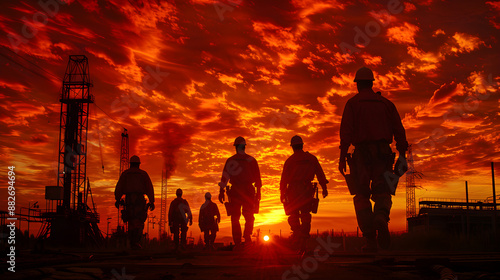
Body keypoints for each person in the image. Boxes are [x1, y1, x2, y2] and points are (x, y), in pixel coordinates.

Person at [339, 66, 408, 252]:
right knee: (383, 191)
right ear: (371, 83)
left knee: (361, 196)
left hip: (361, 154)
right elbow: (399, 131)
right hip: (383, 153)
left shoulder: (353, 104)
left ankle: (370, 240)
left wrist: (341, 157)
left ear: (357, 85)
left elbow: (345, 133)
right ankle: (381, 216)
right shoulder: (386, 104)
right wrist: (402, 154)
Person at [280, 135, 328, 250]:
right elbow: (320, 174)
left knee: (294, 215)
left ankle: (297, 235)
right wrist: (324, 188)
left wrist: (282, 193)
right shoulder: (311, 158)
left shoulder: (290, 161)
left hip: (293, 190)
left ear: (292, 147)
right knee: (306, 215)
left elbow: (284, 179)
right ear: (302, 145)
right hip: (306, 189)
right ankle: (303, 238)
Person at [218, 136, 262, 245]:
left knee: (235, 217)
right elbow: (257, 178)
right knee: (249, 216)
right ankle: (247, 237)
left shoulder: (231, 160)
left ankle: (237, 241)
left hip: (236, 191)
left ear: (236, 147)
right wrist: (259, 192)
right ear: (244, 147)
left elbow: (224, 178)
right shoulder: (251, 160)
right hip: (248, 191)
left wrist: (221, 191)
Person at [114, 155, 155, 250]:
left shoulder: (125, 174)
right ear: (139, 164)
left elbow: (119, 187)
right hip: (139, 200)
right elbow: (149, 188)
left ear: (130, 164)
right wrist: (151, 201)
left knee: (131, 220)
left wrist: (117, 199)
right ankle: (135, 242)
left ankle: (133, 242)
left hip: (129, 201)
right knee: (139, 220)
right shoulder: (143, 174)